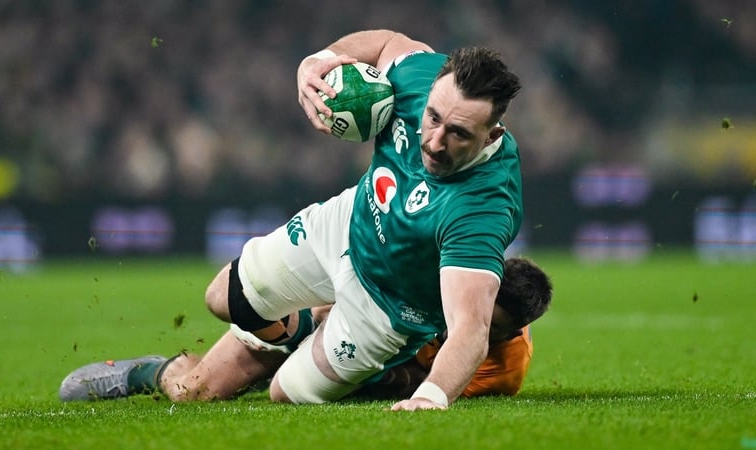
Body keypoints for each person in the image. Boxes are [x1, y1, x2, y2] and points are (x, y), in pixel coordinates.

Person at [60, 29, 525, 411]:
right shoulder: (423, 77)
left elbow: (470, 330)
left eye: (458, 133)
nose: (435, 141)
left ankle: (157, 372)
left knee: (274, 393)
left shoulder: (485, 206)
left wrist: (430, 397)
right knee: (220, 298)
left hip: (384, 311)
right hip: (347, 225)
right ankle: (302, 326)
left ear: (493, 135)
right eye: (432, 118)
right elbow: (388, 43)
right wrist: (319, 61)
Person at [59, 257, 552, 402]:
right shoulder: (446, 271)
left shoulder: (504, 369)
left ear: (516, 331)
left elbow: (416, 386)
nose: (471, 320)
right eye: (475, 305)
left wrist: (376, 372)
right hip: (321, 317)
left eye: (490, 326)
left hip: (362, 363)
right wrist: (316, 321)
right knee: (194, 393)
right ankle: (147, 371)